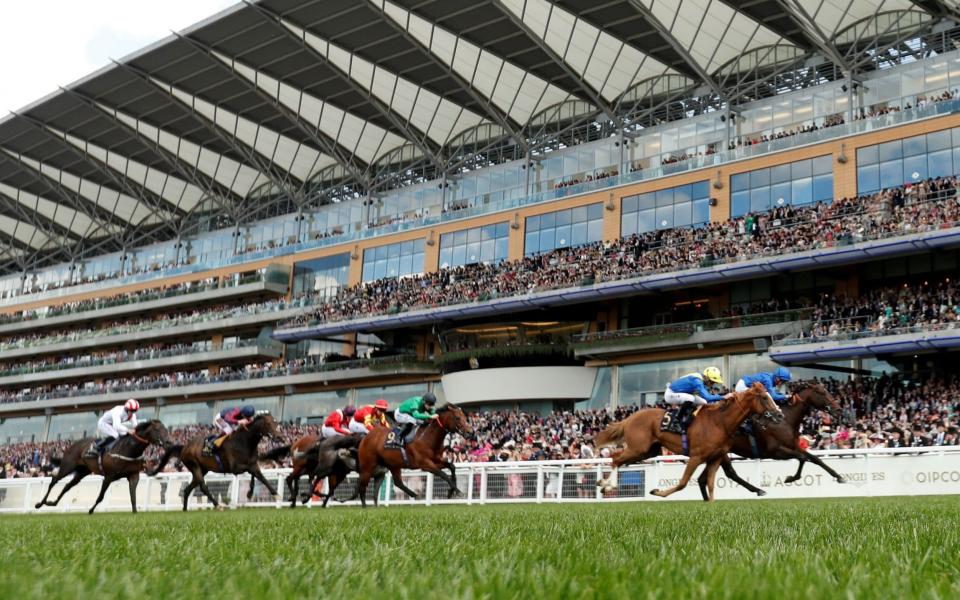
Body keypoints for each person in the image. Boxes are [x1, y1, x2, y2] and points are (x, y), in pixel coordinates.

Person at [663, 367, 732, 430]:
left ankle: (689, 419)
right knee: (690, 398)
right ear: (707, 378)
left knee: (703, 402)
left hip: (681, 394)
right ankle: (676, 421)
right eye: (712, 382)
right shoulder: (697, 381)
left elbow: (706, 399)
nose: (712, 384)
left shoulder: (701, 379)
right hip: (670, 394)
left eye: (714, 382)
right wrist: (723, 397)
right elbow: (708, 397)